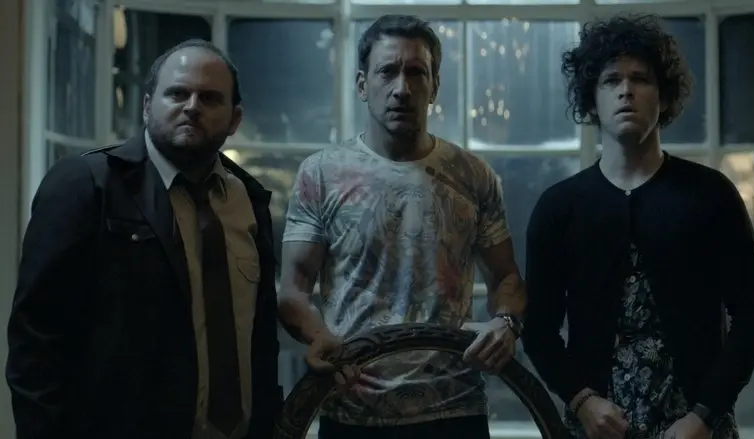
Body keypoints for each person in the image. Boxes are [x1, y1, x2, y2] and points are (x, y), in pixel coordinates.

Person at [6, 39, 282, 439]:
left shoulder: (250, 200)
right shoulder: (86, 185)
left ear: (234, 119)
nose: (192, 107)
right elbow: (36, 342)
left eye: (209, 98)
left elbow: (261, 338)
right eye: (177, 94)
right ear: (147, 105)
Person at [521, 14, 754, 439]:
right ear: (591, 97)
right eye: (611, 80)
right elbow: (539, 330)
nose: (626, 90)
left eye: (640, 79)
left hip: (697, 426)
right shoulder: (560, 207)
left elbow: (752, 316)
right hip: (597, 425)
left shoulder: (710, 194)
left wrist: (705, 414)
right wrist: (582, 401)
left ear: (663, 96)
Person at [277, 14, 526, 439]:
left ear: (435, 86)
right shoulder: (321, 173)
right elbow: (292, 290)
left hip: (454, 405)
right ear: (362, 84)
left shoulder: (474, 175)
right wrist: (318, 336)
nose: (402, 88)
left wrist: (505, 323)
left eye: (416, 72)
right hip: (353, 406)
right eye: (387, 71)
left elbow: (507, 278)